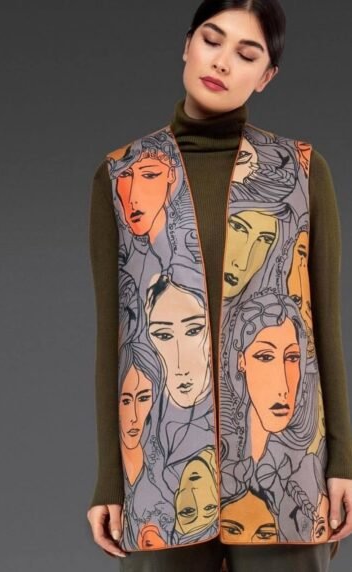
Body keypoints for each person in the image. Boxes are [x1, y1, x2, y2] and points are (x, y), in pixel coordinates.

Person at [86, 1, 352, 570]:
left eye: (246, 54)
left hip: (288, 469)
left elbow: (323, 329)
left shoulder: (302, 171)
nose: (222, 62)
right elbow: (115, 337)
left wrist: (343, 462)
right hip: (159, 470)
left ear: (266, 76)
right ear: (187, 45)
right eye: (212, 40)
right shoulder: (122, 175)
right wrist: (109, 477)